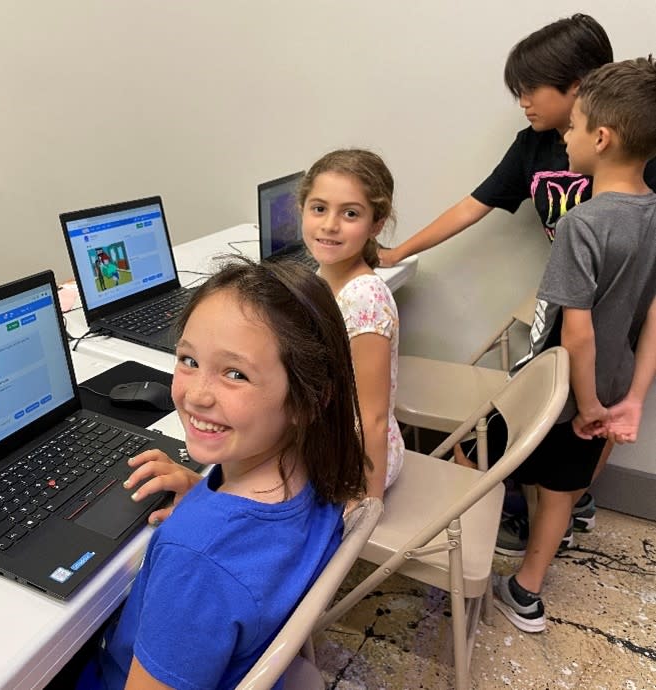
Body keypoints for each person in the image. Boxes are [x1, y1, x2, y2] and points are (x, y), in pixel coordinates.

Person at [380, 13, 656, 543]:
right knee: (528, 430)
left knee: (588, 438)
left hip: (621, 331)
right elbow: (472, 205)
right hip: (566, 323)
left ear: (577, 89)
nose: (524, 101)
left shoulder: (629, 146)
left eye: (531, 89)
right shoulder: (533, 145)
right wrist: (399, 250)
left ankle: (567, 506)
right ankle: (535, 510)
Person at [74, 257, 368, 689]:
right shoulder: (314, 471)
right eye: (188, 359)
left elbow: (207, 570)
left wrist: (204, 522)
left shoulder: (196, 558)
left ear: (308, 399)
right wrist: (203, 493)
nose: (196, 395)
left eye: (235, 373)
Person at [492, 57, 656, 634]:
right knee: (564, 488)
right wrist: (629, 397)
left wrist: (583, 406)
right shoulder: (655, 214)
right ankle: (527, 590)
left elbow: (576, 330)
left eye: (574, 125)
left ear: (602, 138)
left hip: (557, 390)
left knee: (484, 453)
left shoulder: (582, 223)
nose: (565, 136)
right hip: (612, 383)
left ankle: (483, 553)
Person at [298, 149, 403, 503]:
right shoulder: (324, 277)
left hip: (357, 459)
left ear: (376, 224)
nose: (329, 224)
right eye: (319, 208)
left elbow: (372, 417)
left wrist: (368, 504)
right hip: (334, 434)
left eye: (350, 213)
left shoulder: (365, 298)